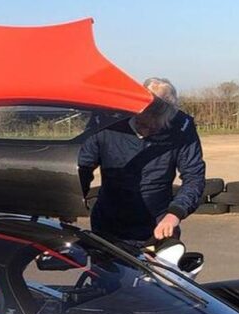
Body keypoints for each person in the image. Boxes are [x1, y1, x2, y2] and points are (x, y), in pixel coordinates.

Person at [78, 77, 206, 244]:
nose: (146, 131)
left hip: (159, 225)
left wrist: (175, 214)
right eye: (141, 124)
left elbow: (194, 176)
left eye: (155, 128)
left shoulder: (182, 127)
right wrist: (70, 202)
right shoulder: (106, 121)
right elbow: (83, 167)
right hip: (108, 223)